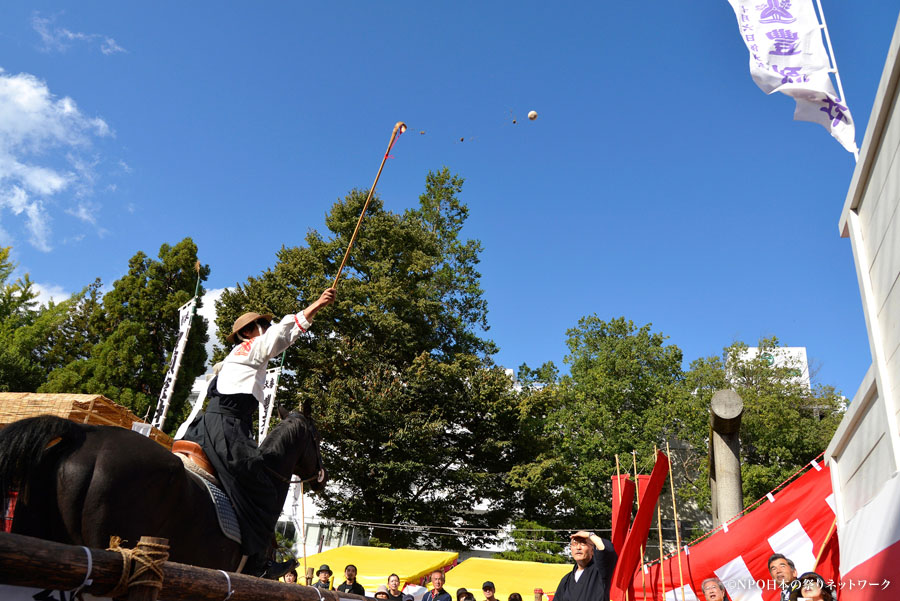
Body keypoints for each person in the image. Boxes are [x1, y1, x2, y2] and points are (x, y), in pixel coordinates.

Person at [183, 288, 336, 578]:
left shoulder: (230, 358)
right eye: (262, 325)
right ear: (248, 332)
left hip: (206, 426)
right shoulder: (252, 349)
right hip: (227, 428)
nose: (266, 328)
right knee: (263, 489)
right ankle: (259, 560)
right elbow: (283, 332)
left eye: (265, 325)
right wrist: (317, 304)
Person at [554, 531, 617, 601]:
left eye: (583, 543)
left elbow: (607, 549)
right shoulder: (566, 580)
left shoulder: (599, 571)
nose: (578, 547)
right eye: (574, 544)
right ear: (571, 549)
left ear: (592, 550)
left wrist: (589, 535)